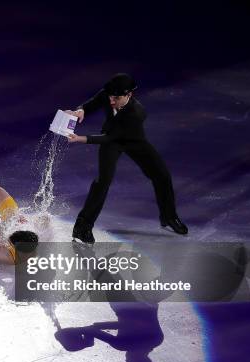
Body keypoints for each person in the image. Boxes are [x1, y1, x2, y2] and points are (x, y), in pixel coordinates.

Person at [65, 73, 188, 243]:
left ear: (129, 95)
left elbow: (109, 137)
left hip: (133, 140)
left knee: (162, 175)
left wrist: (81, 139)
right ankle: (82, 227)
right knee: (103, 181)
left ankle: (169, 217)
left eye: (116, 98)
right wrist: (80, 110)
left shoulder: (137, 113)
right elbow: (92, 104)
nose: (111, 101)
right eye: (109, 96)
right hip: (111, 139)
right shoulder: (110, 94)